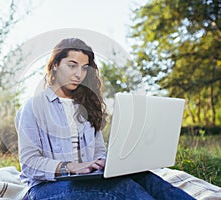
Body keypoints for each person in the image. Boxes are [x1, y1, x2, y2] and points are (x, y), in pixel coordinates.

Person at [15, 38, 194, 199]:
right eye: (72, 65)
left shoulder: (86, 106)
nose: (79, 74)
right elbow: (29, 164)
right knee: (122, 188)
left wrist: (105, 163)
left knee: (147, 179)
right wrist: (71, 167)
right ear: (55, 65)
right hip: (45, 189)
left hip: (87, 180)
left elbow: (99, 151)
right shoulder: (33, 107)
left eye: (84, 68)